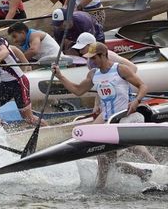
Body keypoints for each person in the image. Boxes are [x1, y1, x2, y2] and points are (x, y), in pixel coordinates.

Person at [54, 41, 150, 188]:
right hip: (108, 121)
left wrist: (136, 101)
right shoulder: (93, 74)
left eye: (93, 58)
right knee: (107, 160)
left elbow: (143, 86)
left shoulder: (121, 70)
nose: (91, 61)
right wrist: (60, 76)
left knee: (120, 151)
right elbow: (78, 90)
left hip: (125, 117)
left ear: (103, 55)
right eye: (89, 58)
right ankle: (140, 174)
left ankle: (155, 167)